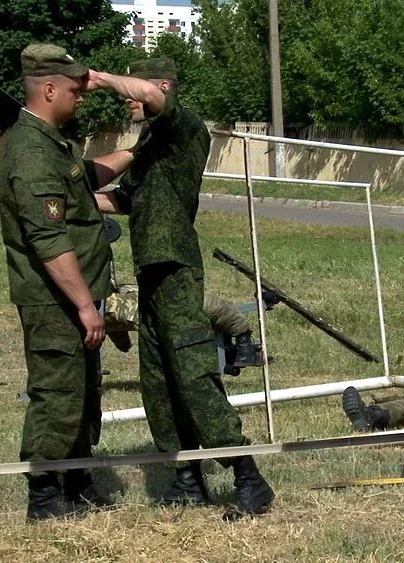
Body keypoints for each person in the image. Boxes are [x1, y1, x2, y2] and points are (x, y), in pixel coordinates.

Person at [88, 58, 274, 517]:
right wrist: (60, 202)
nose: (129, 99)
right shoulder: (149, 142)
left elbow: (150, 100)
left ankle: (247, 475)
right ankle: (186, 477)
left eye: (136, 88)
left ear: (163, 87)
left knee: (192, 375)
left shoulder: (185, 128)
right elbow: (123, 198)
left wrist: (101, 80)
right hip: (151, 272)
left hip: (176, 270)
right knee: (159, 380)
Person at [0, 44, 134, 521]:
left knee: (81, 390)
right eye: (75, 89)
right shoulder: (32, 151)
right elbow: (48, 238)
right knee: (57, 393)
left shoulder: (53, 142)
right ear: (48, 88)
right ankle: (46, 494)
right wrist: (83, 306)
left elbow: (85, 181)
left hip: (77, 296)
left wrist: (137, 151)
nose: (82, 97)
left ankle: (76, 478)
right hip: (54, 300)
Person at [105, 286, 263, 371]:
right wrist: (123, 344)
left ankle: (243, 345)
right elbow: (115, 322)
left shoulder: (111, 304)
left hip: (161, 302)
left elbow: (124, 316)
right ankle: (236, 348)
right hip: (150, 303)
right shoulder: (107, 306)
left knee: (211, 306)